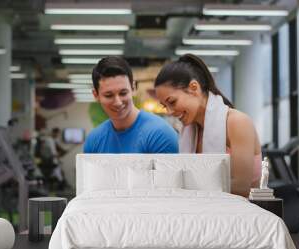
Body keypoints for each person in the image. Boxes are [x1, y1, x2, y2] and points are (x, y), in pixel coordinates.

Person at [154, 54, 262, 197]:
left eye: (172, 102)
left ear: (194, 88)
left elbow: (241, 188)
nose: (169, 111)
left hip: (241, 213)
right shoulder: (190, 131)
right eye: (164, 106)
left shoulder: (237, 122)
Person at [84, 56, 178, 153]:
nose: (118, 102)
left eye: (123, 93)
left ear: (133, 88)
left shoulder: (160, 135)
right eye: (109, 95)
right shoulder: (94, 140)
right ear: (96, 95)